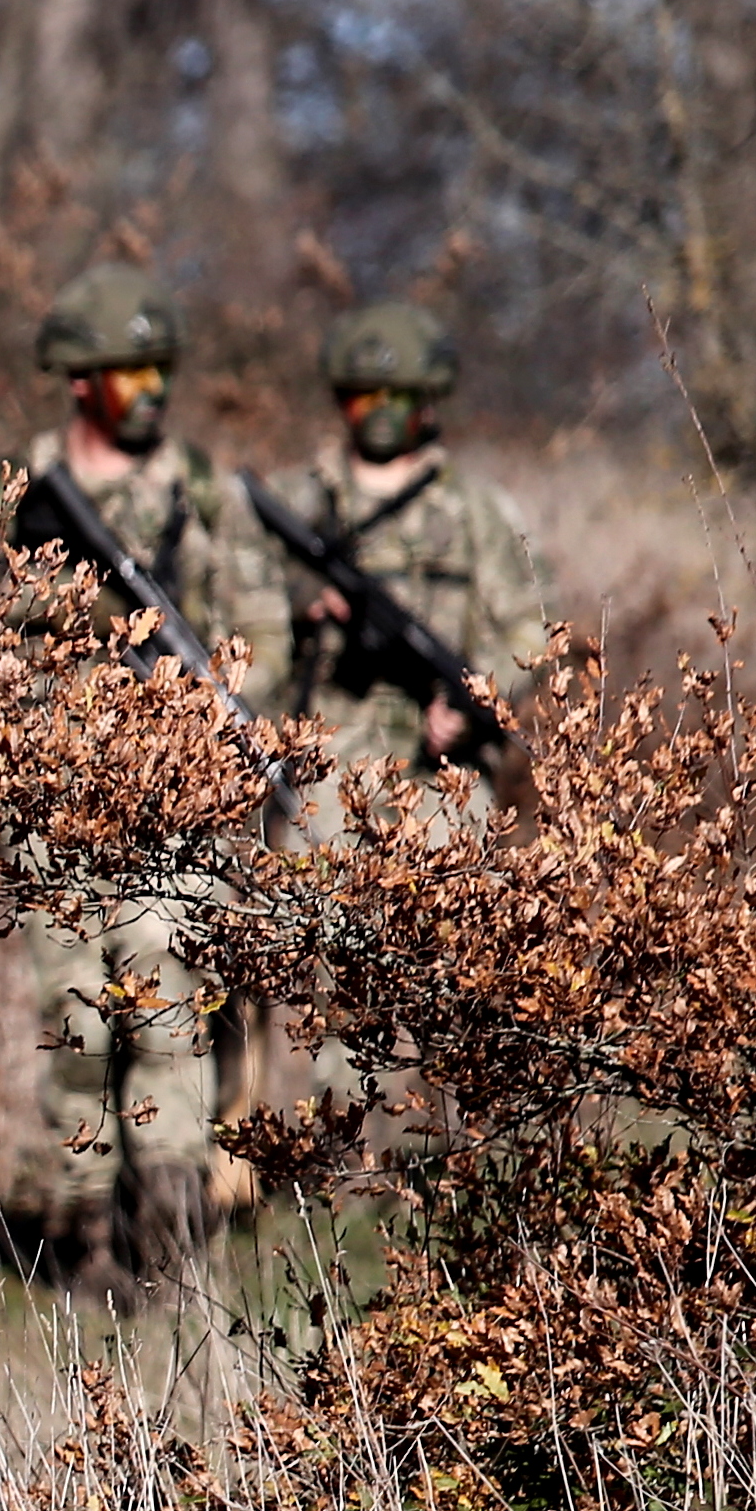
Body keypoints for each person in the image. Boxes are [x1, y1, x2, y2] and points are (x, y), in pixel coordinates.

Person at [0, 264, 291, 1294]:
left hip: (176, 796)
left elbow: (264, 635)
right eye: (126, 371)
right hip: (54, 792)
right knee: (73, 1024)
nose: (147, 389)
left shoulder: (200, 490)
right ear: (78, 380)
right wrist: (52, 620)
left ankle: (169, 1239)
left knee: (166, 1008)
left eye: (158, 368)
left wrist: (207, 696)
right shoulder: (16, 492)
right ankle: (82, 1239)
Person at [273, 300, 554, 1113]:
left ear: (431, 399)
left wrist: (473, 701)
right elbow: (229, 609)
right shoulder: (302, 502)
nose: (382, 414)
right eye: (365, 397)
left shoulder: (477, 511)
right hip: (328, 761)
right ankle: (340, 1176)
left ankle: (433, 1174)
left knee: (440, 972)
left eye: (399, 398)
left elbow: (529, 634)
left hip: (443, 778)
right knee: (335, 968)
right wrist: (301, 601)